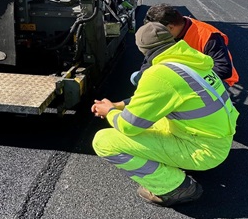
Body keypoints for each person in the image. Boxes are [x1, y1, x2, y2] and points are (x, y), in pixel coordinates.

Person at [91, 22, 239, 207]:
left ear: (142, 49)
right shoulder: (191, 60)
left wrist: (110, 112)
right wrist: (118, 105)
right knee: (150, 117)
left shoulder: (159, 74)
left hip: (203, 150)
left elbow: (128, 126)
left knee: (104, 141)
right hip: (216, 138)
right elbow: (154, 100)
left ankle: (175, 187)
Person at [134, 3, 239, 88]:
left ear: (170, 27)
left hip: (213, 79)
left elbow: (224, 70)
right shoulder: (167, 33)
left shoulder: (208, 35)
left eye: (159, 30)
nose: (155, 33)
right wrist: (144, 78)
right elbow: (151, 58)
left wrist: (182, 81)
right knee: (137, 78)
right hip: (180, 74)